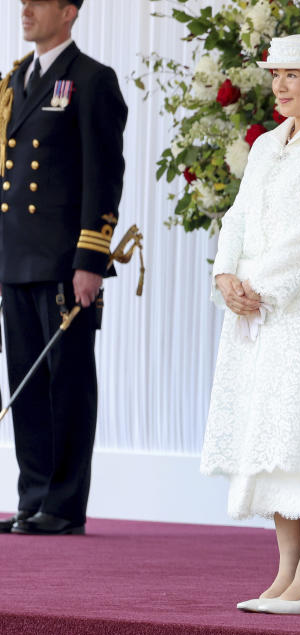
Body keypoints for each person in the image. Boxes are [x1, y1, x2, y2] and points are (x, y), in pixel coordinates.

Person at [199, 34, 300, 614]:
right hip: (257, 312)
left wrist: (257, 287)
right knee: (268, 437)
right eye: (276, 75)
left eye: (295, 75)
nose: (282, 86)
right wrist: (225, 278)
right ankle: (287, 571)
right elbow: (238, 218)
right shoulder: (266, 144)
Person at [0, 0, 125, 536]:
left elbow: (104, 175)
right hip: (15, 256)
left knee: (65, 382)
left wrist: (91, 259)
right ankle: (32, 498)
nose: (25, 10)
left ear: (70, 12)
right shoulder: (15, 79)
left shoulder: (92, 79)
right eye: (22, 2)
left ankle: (65, 503)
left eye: (38, 2)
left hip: (62, 261)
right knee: (25, 384)